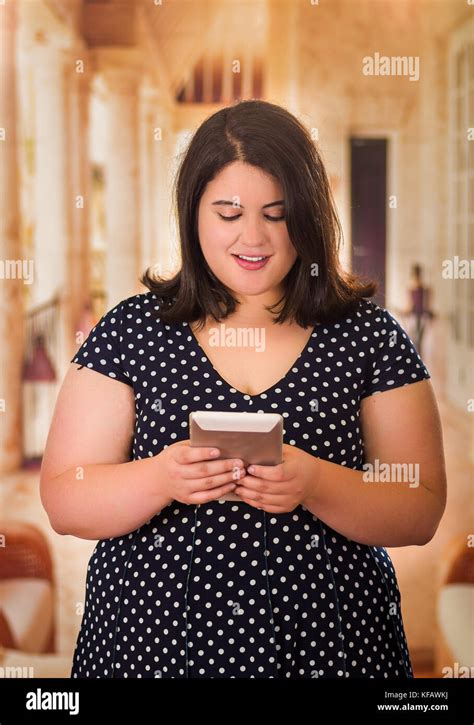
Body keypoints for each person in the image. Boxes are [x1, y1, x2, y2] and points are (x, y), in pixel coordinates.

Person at [40, 99, 447, 679]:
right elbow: (64, 497)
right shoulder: (132, 330)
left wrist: (314, 481)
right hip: (150, 648)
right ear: (193, 214)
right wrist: (161, 476)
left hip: (333, 645)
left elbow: (421, 505)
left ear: (308, 216)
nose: (253, 237)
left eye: (277, 214)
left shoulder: (368, 335)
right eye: (228, 213)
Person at [405, 264, 435, 357]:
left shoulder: (425, 290)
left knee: (419, 340)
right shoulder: (412, 289)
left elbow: (427, 305)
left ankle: (418, 358)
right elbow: (411, 306)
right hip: (416, 316)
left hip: (421, 316)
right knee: (416, 339)